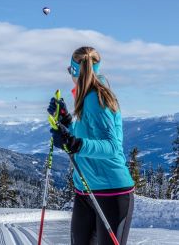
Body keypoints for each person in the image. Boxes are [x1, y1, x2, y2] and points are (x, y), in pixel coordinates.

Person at [47, 46, 135, 245]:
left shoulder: (96, 98)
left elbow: (112, 146)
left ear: (76, 71)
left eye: (70, 71)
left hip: (112, 192)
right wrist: (67, 120)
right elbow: (88, 133)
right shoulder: (87, 98)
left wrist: (74, 144)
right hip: (85, 190)